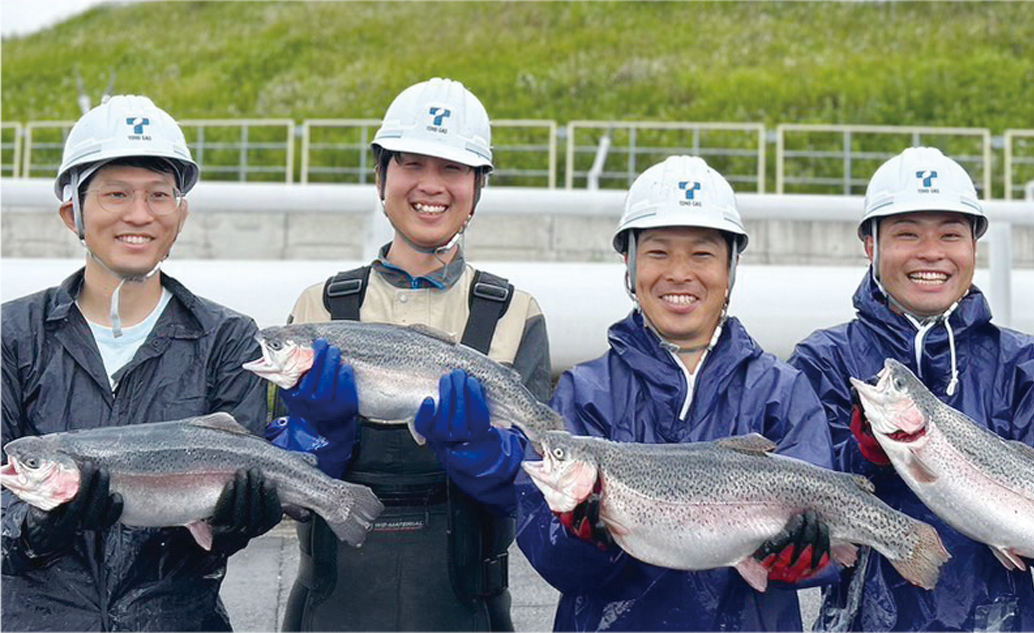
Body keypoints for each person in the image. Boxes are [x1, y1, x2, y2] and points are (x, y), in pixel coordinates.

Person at [790, 146, 1034, 633]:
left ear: (974, 247)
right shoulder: (823, 360)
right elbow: (802, 513)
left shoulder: (1027, 362)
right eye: (907, 234)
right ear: (870, 244)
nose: (931, 252)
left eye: (951, 235)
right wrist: (867, 455)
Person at [271, 77, 550, 633]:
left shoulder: (516, 311)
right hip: (332, 604)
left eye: (452, 169)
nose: (431, 186)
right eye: (411, 165)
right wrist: (316, 435)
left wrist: (482, 453)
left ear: (478, 187)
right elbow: (280, 486)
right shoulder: (319, 307)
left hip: (466, 607)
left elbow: (536, 480)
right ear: (381, 177)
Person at [516, 155, 836, 633]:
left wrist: (808, 556)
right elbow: (548, 553)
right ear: (629, 262)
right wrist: (579, 539)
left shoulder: (782, 392)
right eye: (659, 252)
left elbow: (823, 541)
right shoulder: (584, 393)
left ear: (732, 267)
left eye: (703, 254)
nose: (680, 273)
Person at [0, 95, 276, 633]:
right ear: (72, 213)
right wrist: (35, 524)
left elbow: (225, 516)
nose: (139, 215)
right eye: (116, 194)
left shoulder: (228, 338)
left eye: (158, 195)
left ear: (181, 212)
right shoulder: (11, 337)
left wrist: (237, 523)